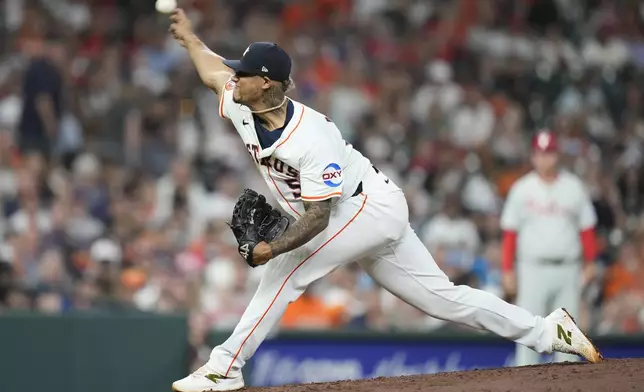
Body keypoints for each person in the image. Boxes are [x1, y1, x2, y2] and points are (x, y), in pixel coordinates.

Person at [168, 9, 602, 392]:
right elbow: (211, 73)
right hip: (355, 215)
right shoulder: (244, 103)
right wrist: (190, 38)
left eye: (242, 73)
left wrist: (272, 247)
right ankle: (547, 331)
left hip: (367, 206)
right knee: (443, 300)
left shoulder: (311, 137)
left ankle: (225, 367)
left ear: (265, 83)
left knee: (285, 268)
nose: (233, 77)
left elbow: (318, 217)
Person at [500, 130, 599, 366]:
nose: (545, 159)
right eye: (540, 153)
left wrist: (591, 262)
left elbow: (587, 228)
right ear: (533, 156)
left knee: (567, 338)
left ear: (558, 155)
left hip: (568, 268)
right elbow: (510, 232)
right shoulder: (522, 188)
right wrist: (507, 270)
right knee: (528, 332)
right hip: (532, 268)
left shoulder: (573, 186)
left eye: (550, 153)